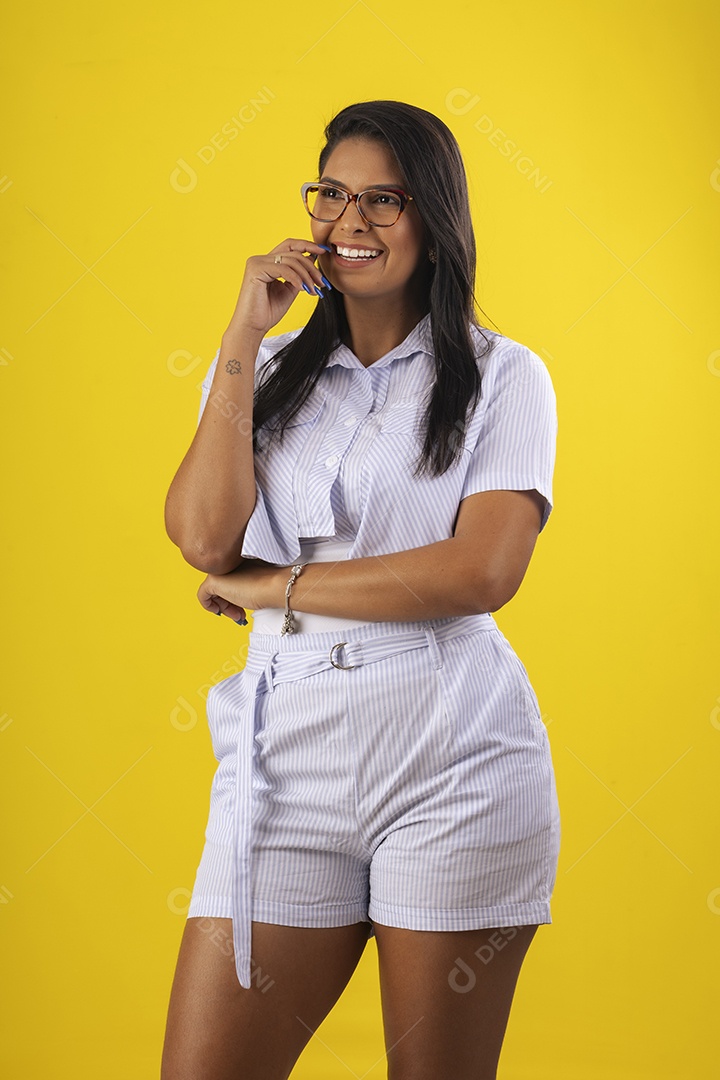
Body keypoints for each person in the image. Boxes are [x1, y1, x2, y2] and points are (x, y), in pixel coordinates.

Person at [161, 100, 561, 1080]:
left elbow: (481, 573)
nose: (352, 223)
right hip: (284, 762)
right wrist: (239, 337)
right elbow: (202, 536)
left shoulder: (507, 377)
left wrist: (274, 588)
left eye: (385, 200)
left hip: (453, 758)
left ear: (434, 222)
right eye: (333, 195)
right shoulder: (266, 374)